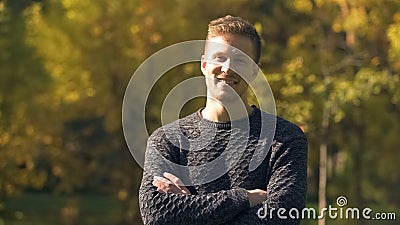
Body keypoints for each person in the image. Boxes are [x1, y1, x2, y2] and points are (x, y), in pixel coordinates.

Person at [139, 15, 308, 225]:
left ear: (255, 71)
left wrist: (190, 210)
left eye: (240, 60)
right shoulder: (167, 139)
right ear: (203, 64)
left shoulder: (284, 139)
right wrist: (242, 198)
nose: (227, 69)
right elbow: (156, 215)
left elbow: (282, 218)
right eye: (219, 58)